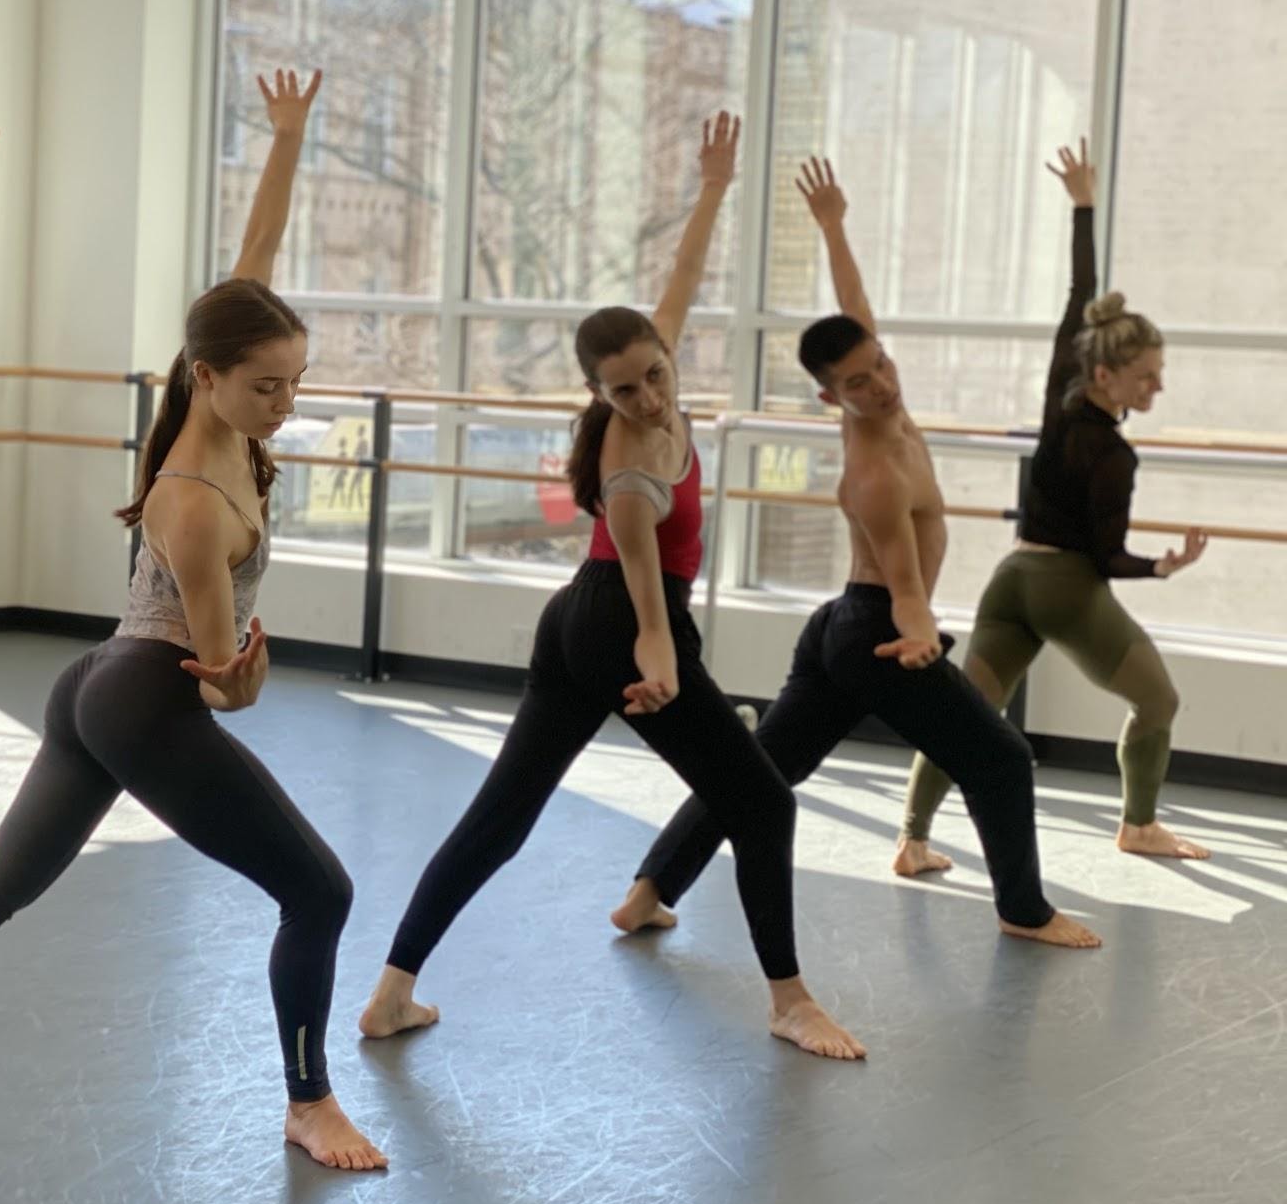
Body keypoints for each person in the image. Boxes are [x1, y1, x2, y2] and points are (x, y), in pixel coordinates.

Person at [0, 71, 389, 1171]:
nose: (284, 406)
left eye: (295, 384)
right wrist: (248, 677)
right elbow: (219, 681)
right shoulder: (189, 501)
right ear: (206, 378)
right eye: (268, 389)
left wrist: (284, 137)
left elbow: (257, 248)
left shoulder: (208, 386)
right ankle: (308, 1100)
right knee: (318, 890)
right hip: (142, 698)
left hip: (93, 684)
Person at [360, 115, 867, 1061]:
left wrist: (712, 187)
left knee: (503, 819)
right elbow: (641, 579)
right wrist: (662, 661)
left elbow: (676, 288)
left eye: (654, 376)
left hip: (576, 621)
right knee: (764, 804)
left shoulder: (653, 363)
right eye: (624, 391)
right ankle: (790, 1001)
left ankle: (396, 992)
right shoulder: (630, 465)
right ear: (599, 395)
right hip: (620, 620)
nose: (648, 398)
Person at [617, 157, 1102, 953]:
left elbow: (855, 310)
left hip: (841, 627)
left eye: (881, 365)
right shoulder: (872, 472)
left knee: (759, 772)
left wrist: (834, 226)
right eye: (858, 382)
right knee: (1003, 761)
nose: (880, 385)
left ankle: (649, 888)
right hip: (878, 633)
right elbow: (906, 586)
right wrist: (918, 636)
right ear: (830, 400)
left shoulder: (883, 404)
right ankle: (1024, 907)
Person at [900, 141, 1209, 864]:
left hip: (1009, 582)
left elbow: (1080, 298)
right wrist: (1163, 569)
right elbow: (1104, 558)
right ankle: (1138, 826)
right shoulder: (1113, 455)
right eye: (1145, 378)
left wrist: (1083, 207)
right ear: (1106, 373)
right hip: (1066, 590)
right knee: (1158, 702)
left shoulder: (1059, 398)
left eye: (1159, 376)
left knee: (968, 717)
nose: (1155, 390)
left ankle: (911, 839)